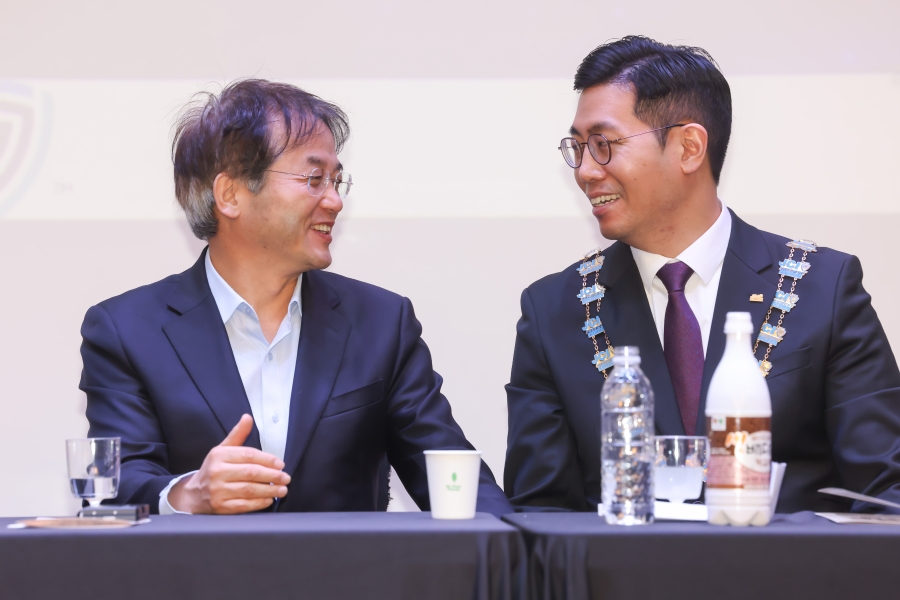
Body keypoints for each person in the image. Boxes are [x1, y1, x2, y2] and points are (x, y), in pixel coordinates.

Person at [504, 36, 900, 513]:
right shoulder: (555, 310)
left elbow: (885, 491)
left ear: (689, 148)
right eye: (578, 147)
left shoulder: (822, 286)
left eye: (604, 145)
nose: (585, 171)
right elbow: (540, 511)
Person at [80, 79, 511, 516]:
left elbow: (454, 478)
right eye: (314, 179)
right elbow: (115, 486)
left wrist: (516, 544)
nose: (335, 201)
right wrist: (188, 495)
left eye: (336, 181)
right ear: (230, 194)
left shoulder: (381, 323)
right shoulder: (127, 330)